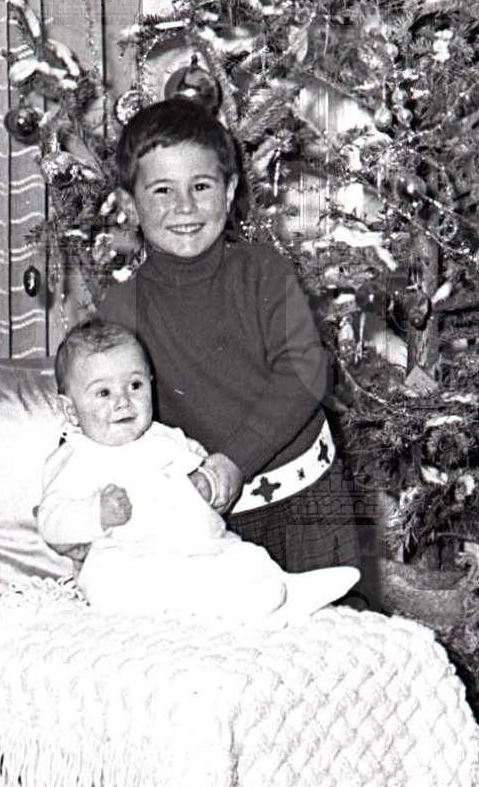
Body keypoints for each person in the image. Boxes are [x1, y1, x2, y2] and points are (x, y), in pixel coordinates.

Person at [94, 97, 365, 577]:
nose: (184, 207)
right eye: (162, 191)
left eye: (201, 186)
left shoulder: (263, 271)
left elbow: (304, 373)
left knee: (329, 620)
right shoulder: (121, 309)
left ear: (230, 190)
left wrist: (234, 461)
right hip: (207, 522)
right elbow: (109, 413)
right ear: (130, 206)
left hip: (307, 501)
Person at [38, 319, 358, 622]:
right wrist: (96, 514)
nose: (123, 402)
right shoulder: (78, 457)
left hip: (203, 547)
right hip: (133, 556)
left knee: (244, 556)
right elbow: (51, 520)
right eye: (103, 393)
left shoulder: (167, 438)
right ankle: (242, 605)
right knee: (110, 582)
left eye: (134, 385)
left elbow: (205, 468)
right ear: (70, 409)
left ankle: (287, 589)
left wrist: (208, 484)